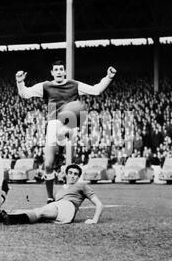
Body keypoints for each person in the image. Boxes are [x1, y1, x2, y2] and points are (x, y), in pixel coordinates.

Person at [16, 60, 116, 203]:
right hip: (53, 123)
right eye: (55, 69)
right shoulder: (45, 86)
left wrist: (109, 77)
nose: (58, 72)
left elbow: (96, 90)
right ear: (52, 73)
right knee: (48, 164)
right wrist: (20, 82)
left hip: (71, 123)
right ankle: (50, 197)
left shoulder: (74, 85)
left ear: (64, 71)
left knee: (70, 163)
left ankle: (70, 196)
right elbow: (25, 94)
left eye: (61, 69)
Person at [0, 164, 103, 225]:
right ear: (66, 174)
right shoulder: (60, 191)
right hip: (60, 207)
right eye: (71, 173)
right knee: (31, 211)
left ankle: (10, 220)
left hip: (68, 207)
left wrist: (94, 220)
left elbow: (99, 204)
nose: (73, 176)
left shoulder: (82, 185)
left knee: (39, 212)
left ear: (79, 176)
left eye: (76, 174)